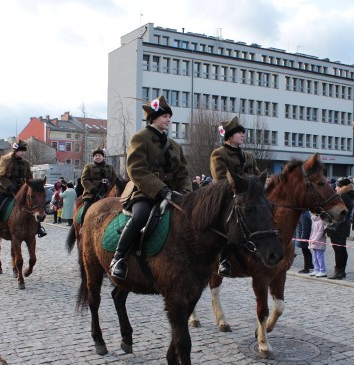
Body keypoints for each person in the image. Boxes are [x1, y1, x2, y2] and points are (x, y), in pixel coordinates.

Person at [109, 96, 192, 279]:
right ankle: (118, 258)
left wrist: (186, 192)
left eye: (169, 116)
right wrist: (160, 189)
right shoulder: (140, 138)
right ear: (153, 118)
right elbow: (136, 170)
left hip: (174, 193)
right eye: (164, 116)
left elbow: (183, 173)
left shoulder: (175, 146)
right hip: (147, 192)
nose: (168, 119)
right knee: (140, 217)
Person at [210, 116, 259, 277]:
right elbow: (220, 179)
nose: (243, 135)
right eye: (239, 132)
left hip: (249, 198)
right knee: (228, 222)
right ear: (230, 136)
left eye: (243, 132)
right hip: (228, 196)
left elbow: (257, 176)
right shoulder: (219, 154)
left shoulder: (249, 156)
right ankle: (224, 260)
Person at [0, 139, 47, 238]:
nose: (23, 153)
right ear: (16, 151)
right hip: (7, 189)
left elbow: (29, 177)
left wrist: (32, 185)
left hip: (21, 190)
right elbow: (0, 176)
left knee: (34, 205)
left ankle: (38, 227)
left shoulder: (26, 163)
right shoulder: (6, 160)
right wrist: (9, 185)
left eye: (24, 151)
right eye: (21, 151)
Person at [80, 147, 119, 223]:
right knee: (85, 210)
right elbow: (84, 180)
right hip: (92, 193)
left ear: (103, 157)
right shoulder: (88, 167)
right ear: (93, 157)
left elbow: (115, 179)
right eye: (96, 156)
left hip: (106, 192)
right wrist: (93, 189)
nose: (97, 157)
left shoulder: (109, 167)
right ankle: (82, 226)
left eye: (99, 155)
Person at [325, 178, 354, 280]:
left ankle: (339, 272)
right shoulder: (346, 195)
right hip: (343, 225)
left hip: (339, 226)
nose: (336, 187)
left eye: (337, 186)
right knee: (341, 249)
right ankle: (341, 271)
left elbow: (339, 212)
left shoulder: (342, 196)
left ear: (342, 187)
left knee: (339, 249)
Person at [308, 213, 327, 278]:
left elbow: (320, 232)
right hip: (314, 241)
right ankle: (316, 269)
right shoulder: (314, 221)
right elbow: (312, 232)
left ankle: (322, 270)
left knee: (319, 256)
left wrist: (315, 239)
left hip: (319, 242)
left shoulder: (321, 221)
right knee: (315, 256)